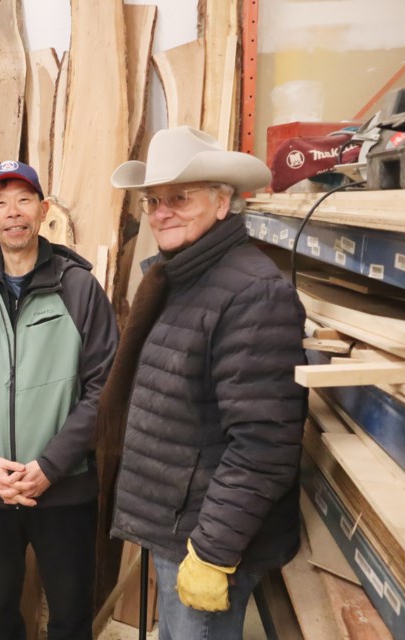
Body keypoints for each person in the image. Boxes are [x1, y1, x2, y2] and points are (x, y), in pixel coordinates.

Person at [105, 126, 307, 639]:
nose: (161, 211)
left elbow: (263, 445)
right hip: (177, 525)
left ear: (223, 204)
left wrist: (213, 551)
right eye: (152, 200)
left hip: (204, 539)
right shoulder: (180, 278)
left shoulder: (253, 293)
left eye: (179, 197)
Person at [0, 160, 119, 640]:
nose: (12, 212)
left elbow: (103, 388)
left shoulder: (80, 290)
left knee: (69, 613)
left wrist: (50, 465)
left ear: (43, 210)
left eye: (23, 200)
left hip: (65, 486)